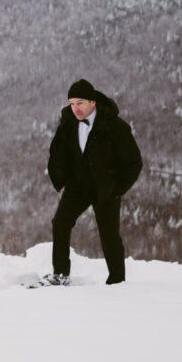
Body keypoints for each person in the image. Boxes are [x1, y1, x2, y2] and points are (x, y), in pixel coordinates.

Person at [45, 78, 143, 285]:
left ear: (93, 102)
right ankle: (60, 274)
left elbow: (134, 163)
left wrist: (117, 189)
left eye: (80, 103)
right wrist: (61, 175)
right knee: (60, 223)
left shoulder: (115, 127)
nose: (75, 108)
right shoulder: (69, 123)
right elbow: (59, 150)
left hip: (106, 188)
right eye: (72, 103)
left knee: (109, 235)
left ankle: (117, 282)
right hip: (77, 185)